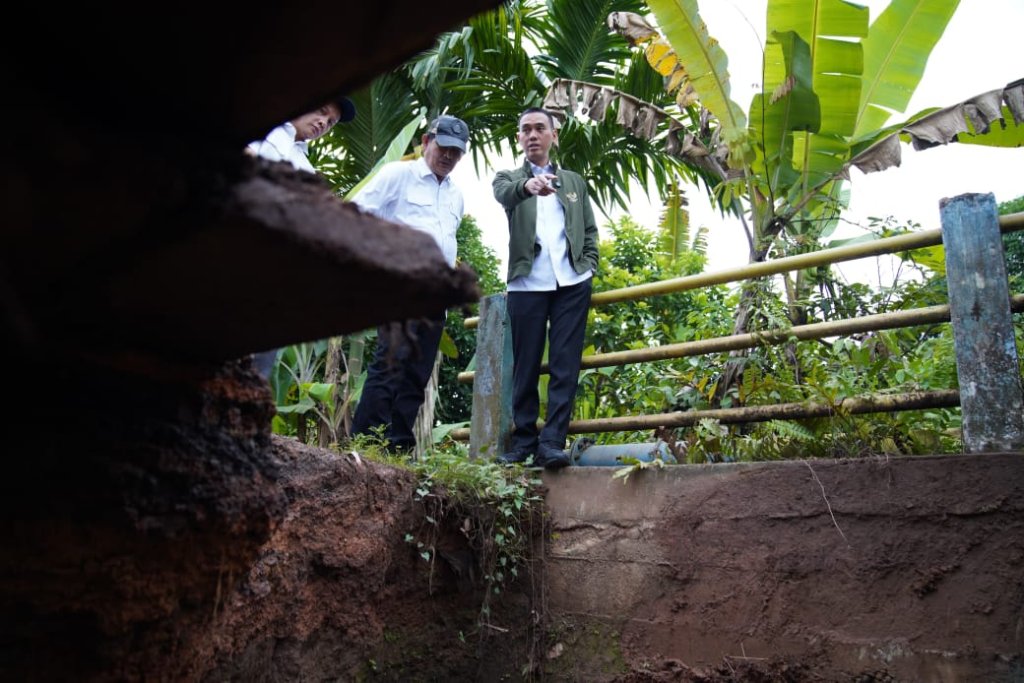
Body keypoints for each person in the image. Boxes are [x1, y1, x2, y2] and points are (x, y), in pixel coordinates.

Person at [349, 114, 470, 453]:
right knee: (390, 366)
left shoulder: (456, 194)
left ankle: (397, 449)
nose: (448, 156)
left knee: (416, 376)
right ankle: (365, 443)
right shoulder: (398, 175)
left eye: (456, 152)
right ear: (426, 142)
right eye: (443, 148)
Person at [492, 107, 599, 469]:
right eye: (526, 130)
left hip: (572, 282)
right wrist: (528, 186)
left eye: (540, 128)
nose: (533, 134)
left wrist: (591, 265)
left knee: (565, 364)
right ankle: (523, 442)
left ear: (554, 135)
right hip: (527, 282)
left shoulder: (574, 183)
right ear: (519, 139)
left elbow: (589, 230)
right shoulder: (507, 177)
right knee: (525, 365)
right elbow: (505, 194)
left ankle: (552, 442)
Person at [246, 94, 357, 377]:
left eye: (331, 122)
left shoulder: (306, 168)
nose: (323, 123)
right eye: (321, 112)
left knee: (256, 369)